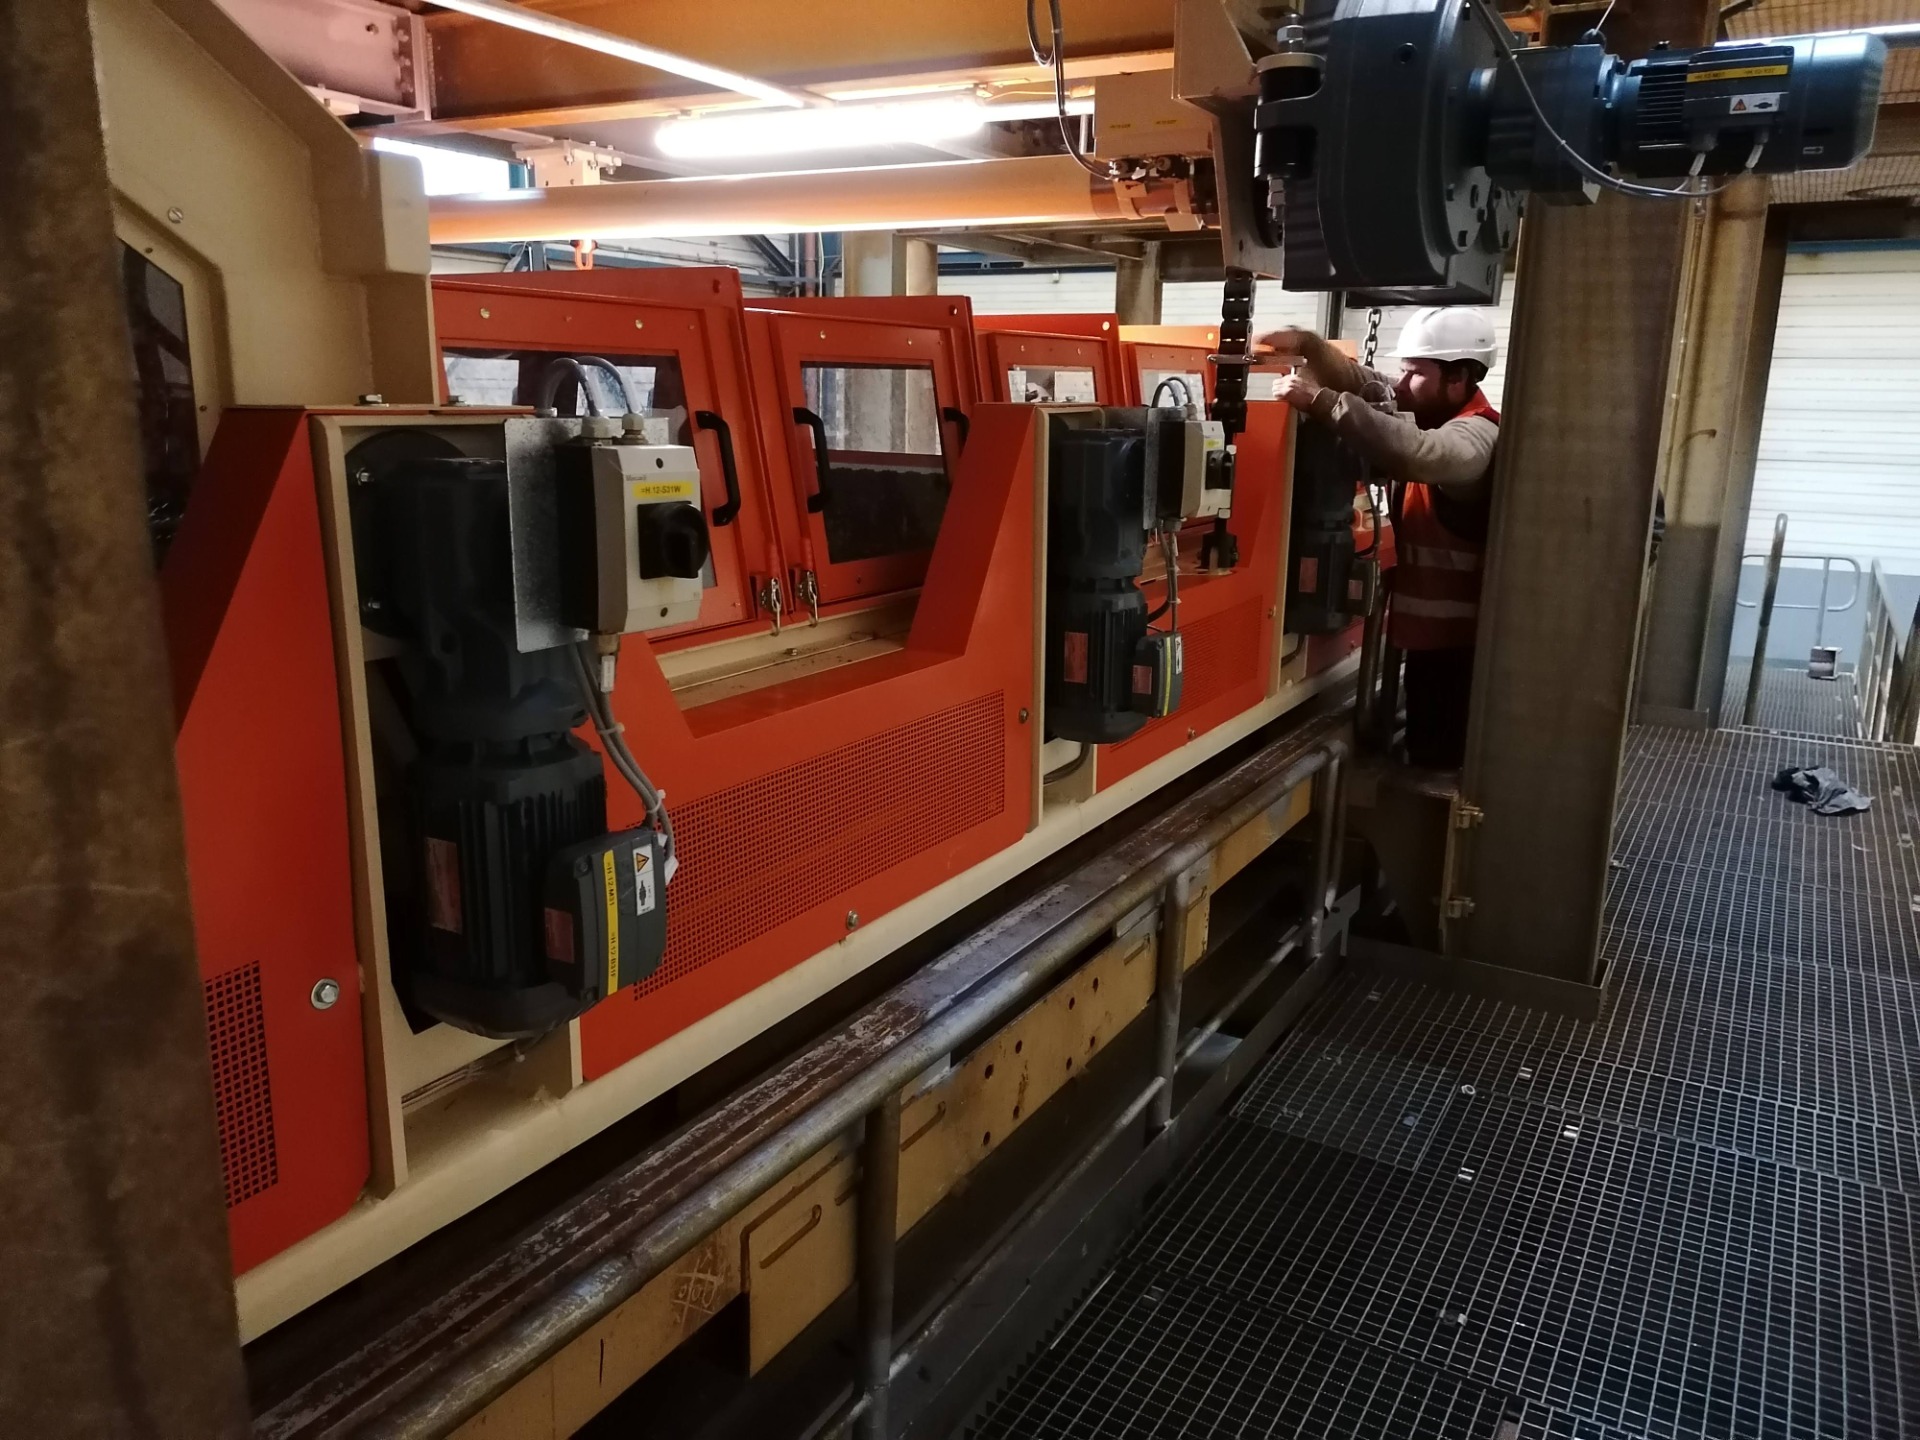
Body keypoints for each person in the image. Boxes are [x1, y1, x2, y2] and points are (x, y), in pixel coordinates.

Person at [1261, 308, 1500, 768]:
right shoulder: (1434, 409)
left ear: (1459, 378)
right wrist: (1309, 346)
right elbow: (1368, 382)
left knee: (1436, 757)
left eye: (1415, 373)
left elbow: (1423, 455)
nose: (1402, 383)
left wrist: (1323, 403)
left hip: (1457, 653)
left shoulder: (1477, 436)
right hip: (1428, 639)